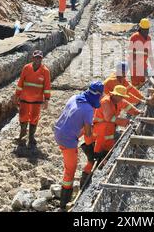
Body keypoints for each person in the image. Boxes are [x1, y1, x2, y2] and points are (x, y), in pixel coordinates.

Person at [53, 81, 104, 210]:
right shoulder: (88, 110)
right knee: (70, 170)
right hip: (67, 139)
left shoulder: (75, 97)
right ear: (97, 95)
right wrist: (91, 150)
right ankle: (64, 202)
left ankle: (65, 198)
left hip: (58, 130)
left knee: (89, 128)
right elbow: (87, 133)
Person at [89, 85, 142, 165]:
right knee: (101, 145)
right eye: (121, 96)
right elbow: (109, 118)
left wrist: (137, 111)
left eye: (122, 97)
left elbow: (127, 106)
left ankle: (106, 158)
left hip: (109, 127)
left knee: (109, 143)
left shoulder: (118, 100)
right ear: (115, 94)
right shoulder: (105, 102)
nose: (122, 98)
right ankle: (98, 159)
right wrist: (126, 122)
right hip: (101, 127)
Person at [14, 50, 51, 146]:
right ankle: (22, 133)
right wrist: (17, 95)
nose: (37, 59)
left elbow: (47, 87)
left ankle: (31, 137)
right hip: (24, 98)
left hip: (37, 100)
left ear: (41, 59)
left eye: (39, 57)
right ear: (33, 58)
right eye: (36, 57)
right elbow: (20, 82)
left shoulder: (45, 71)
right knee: (23, 116)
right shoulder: (26, 68)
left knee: (34, 118)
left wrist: (46, 100)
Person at [128, 18, 154, 87]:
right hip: (135, 66)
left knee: (142, 83)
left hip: (144, 65)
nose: (146, 31)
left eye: (147, 30)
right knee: (135, 84)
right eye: (144, 30)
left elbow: (150, 53)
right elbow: (131, 52)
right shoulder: (134, 37)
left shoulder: (148, 38)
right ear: (140, 28)